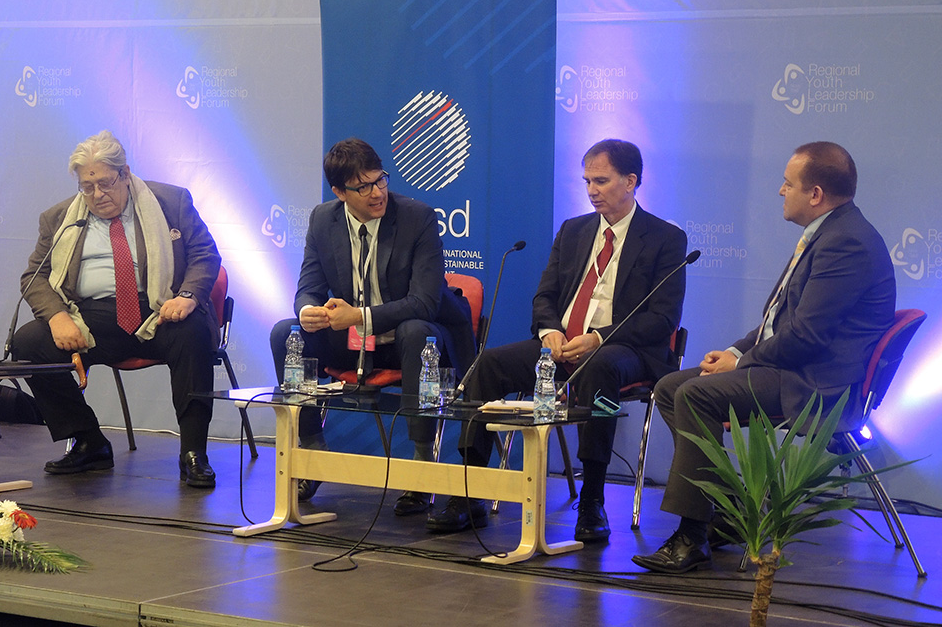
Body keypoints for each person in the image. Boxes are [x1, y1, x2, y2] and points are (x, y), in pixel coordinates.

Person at [633, 141, 895, 574]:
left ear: (815, 194)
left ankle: (692, 536)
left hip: (814, 383)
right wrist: (737, 351)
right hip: (794, 366)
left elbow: (806, 337)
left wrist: (741, 365)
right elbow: (780, 321)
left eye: (788, 184)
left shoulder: (845, 243)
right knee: (670, 387)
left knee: (695, 395)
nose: (780, 191)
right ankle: (727, 511)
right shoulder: (830, 232)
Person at [432, 139, 687, 536]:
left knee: (599, 370)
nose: (591, 191)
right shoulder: (573, 230)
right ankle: (470, 490)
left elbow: (662, 318)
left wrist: (598, 338)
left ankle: (593, 499)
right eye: (587, 181)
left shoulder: (664, 238)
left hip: (625, 350)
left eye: (601, 181)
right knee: (488, 365)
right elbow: (544, 296)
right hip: (560, 345)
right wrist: (550, 330)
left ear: (631, 181)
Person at [269, 137, 475, 515]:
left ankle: (421, 468)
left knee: (416, 331)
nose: (377, 192)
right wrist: (308, 311)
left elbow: (424, 303)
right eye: (363, 187)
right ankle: (312, 452)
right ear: (339, 192)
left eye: (380, 180)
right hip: (355, 341)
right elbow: (308, 287)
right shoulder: (322, 219)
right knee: (286, 333)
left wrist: (359, 316)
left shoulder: (417, 218)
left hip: (414, 340)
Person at [12, 130, 222, 488]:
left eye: (105, 183)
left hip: (159, 311)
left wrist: (187, 296)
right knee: (28, 343)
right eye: (87, 187)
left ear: (125, 173)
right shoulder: (59, 218)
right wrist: (58, 318)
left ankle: (193, 452)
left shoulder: (171, 201)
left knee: (193, 332)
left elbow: (204, 254)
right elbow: (35, 276)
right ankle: (88, 440)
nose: (97, 195)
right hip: (91, 318)